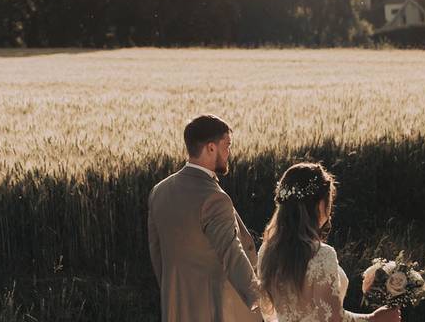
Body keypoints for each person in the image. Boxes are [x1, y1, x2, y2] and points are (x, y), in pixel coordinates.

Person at [148, 114, 261, 322]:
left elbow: (157, 253)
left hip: (175, 307)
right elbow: (231, 252)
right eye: (227, 145)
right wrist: (260, 301)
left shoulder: (159, 191)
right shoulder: (214, 197)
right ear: (211, 148)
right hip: (217, 308)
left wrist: (172, 293)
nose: (229, 152)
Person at [257, 162, 400, 322]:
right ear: (320, 204)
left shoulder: (266, 251)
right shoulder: (321, 255)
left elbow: (269, 314)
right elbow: (331, 319)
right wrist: (374, 319)